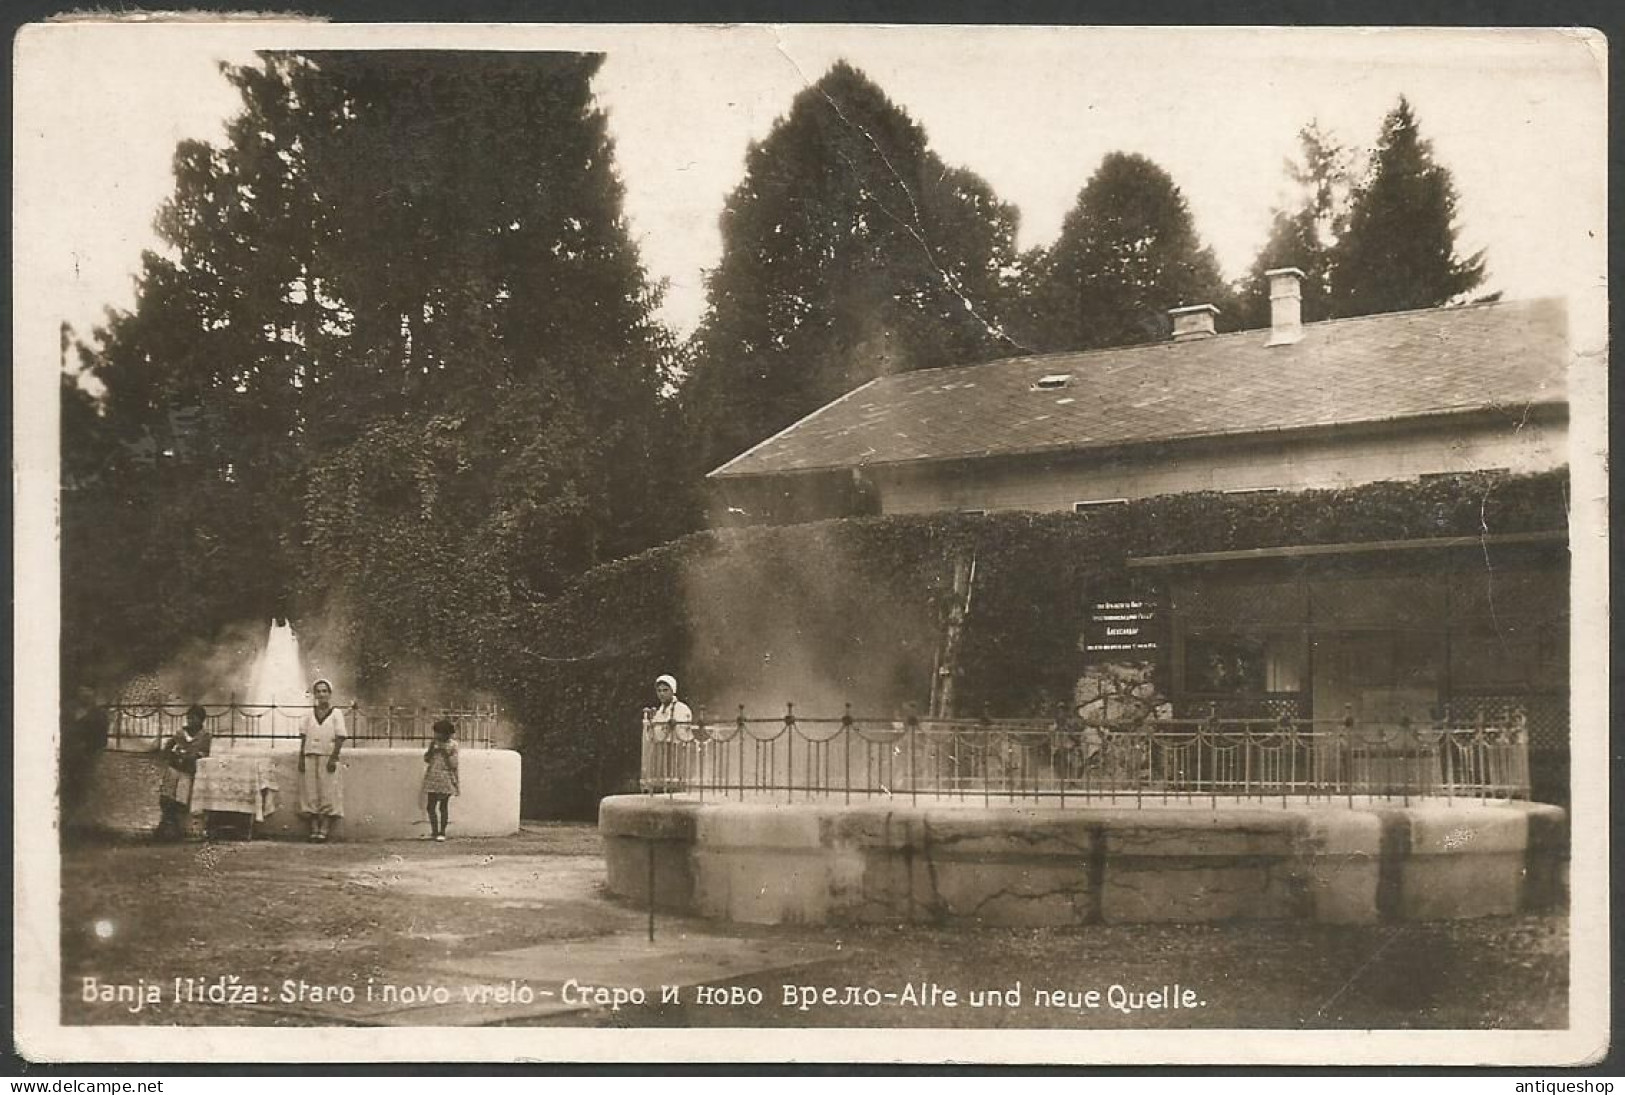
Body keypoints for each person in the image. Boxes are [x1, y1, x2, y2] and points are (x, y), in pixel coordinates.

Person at [297, 679, 346, 842]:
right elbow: (304, 737)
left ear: (330, 694)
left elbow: (340, 737)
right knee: (310, 792)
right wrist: (301, 758)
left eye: (325, 691)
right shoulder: (308, 714)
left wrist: (333, 758)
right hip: (310, 755)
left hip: (327, 757)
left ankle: (324, 829)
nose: (321, 694)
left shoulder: (336, 713)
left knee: (328, 792)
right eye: (318, 691)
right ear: (314, 694)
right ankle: (314, 828)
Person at [155, 705, 210, 841]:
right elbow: (168, 748)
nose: (191, 721)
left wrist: (194, 756)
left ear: (201, 720)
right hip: (175, 767)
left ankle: (179, 825)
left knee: (182, 795)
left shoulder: (205, 736)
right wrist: (173, 755)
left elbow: (205, 753)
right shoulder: (180, 734)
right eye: (189, 718)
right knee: (167, 793)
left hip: (190, 770)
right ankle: (166, 822)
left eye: (194, 718)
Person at [422, 719, 460, 842]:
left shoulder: (453, 745)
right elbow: (427, 759)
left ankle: (442, 832)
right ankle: (434, 831)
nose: (437, 735)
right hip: (433, 776)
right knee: (430, 806)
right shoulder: (433, 743)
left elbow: (453, 764)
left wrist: (444, 752)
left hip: (446, 777)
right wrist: (432, 750)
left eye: (439, 733)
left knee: (443, 806)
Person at [643, 674, 693, 741]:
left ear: (673, 691)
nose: (662, 694)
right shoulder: (659, 712)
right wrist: (651, 721)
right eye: (659, 690)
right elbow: (655, 737)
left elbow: (684, 735)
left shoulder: (682, 709)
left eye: (665, 690)